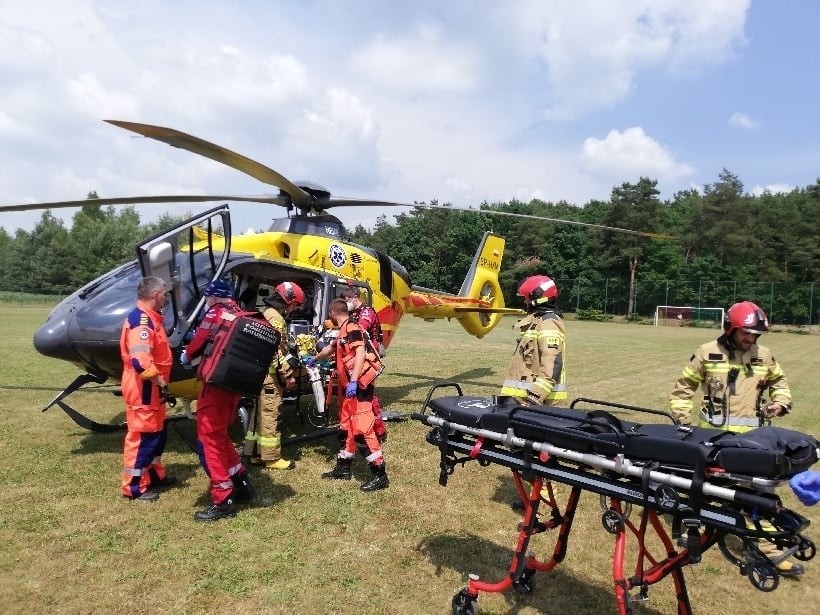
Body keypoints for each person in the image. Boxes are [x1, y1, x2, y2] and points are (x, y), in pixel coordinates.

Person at [669, 301, 801, 576]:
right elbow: (683, 389)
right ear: (730, 328)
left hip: (753, 443)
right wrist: (683, 423)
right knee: (704, 489)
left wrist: (779, 403)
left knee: (759, 495)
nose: (750, 339)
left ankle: (768, 546)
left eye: (755, 335)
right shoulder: (706, 353)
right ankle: (697, 528)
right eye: (746, 333)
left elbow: (781, 385)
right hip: (713, 440)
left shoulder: (763, 356)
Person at [182, 279, 257, 522]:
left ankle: (223, 498)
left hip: (214, 386)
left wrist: (186, 354)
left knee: (209, 439)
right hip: (232, 386)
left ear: (212, 297)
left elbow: (198, 342)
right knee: (221, 436)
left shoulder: (215, 313)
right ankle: (241, 482)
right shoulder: (239, 313)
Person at [313, 298, 388, 491]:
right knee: (346, 428)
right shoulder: (344, 329)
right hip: (349, 389)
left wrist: (354, 381)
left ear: (332, 312)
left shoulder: (352, 327)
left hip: (360, 387)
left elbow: (361, 352)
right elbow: (331, 349)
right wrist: (313, 359)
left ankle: (380, 474)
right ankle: (343, 467)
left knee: (363, 430)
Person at [120, 276, 174, 502]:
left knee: (157, 433)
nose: (166, 298)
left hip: (152, 389)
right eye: (164, 293)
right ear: (155, 295)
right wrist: (160, 383)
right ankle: (133, 486)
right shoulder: (142, 323)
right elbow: (140, 361)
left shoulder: (152, 319)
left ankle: (153, 474)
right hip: (145, 387)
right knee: (143, 436)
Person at [242, 282, 304, 470]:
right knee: (270, 415)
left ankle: (254, 453)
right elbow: (275, 352)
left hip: (260, 375)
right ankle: (271, 458)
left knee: (259, 415)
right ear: (289, 302)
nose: (295, 309)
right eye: (295, 305)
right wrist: (288, 375)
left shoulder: (266, 313)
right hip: (270, 378)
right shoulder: (277, 319)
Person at [500, 275, 567, 406]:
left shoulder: (549, 323)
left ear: (538, 297)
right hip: (521, 400)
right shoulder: (536, 321)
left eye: (527, 298)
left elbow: (552, 365)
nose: (525, 301)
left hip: (538, 404)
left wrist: (535, 397)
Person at [341, 289, 388, 442]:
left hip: (368, 360)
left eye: (347, 299)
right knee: (362, 396)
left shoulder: (366, 313)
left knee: (369, 396)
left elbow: (361, 328)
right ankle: (361, 426)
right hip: (359, 359)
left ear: (355, 297)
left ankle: (379, 430)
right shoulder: (355, 313)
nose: (346, 303)